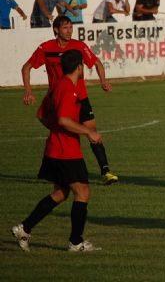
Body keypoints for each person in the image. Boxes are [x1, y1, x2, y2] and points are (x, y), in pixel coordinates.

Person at [11, 49, 102, 252]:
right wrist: (88, 132)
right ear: (79, 67)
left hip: (54, 147)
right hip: (66, 151)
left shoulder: (57, 85)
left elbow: (42, 115)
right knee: (83, 192)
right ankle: (76, 242)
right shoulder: (69, 88)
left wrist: (57, 132)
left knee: (60, 193)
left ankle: (24, 228)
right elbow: (63, 119)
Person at [22, 16, 119, 185]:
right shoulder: (46, 48)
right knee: (58, 133)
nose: (69, 30)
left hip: (80, 98)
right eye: (65, 27)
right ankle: (49, 171)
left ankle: (105, 170)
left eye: (70, 27)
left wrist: (103, 81)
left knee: (92, 133)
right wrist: (28, 91)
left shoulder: (79, 46)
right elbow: (26, 67)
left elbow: (97, 63)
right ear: (56, 30)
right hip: (57, 99)